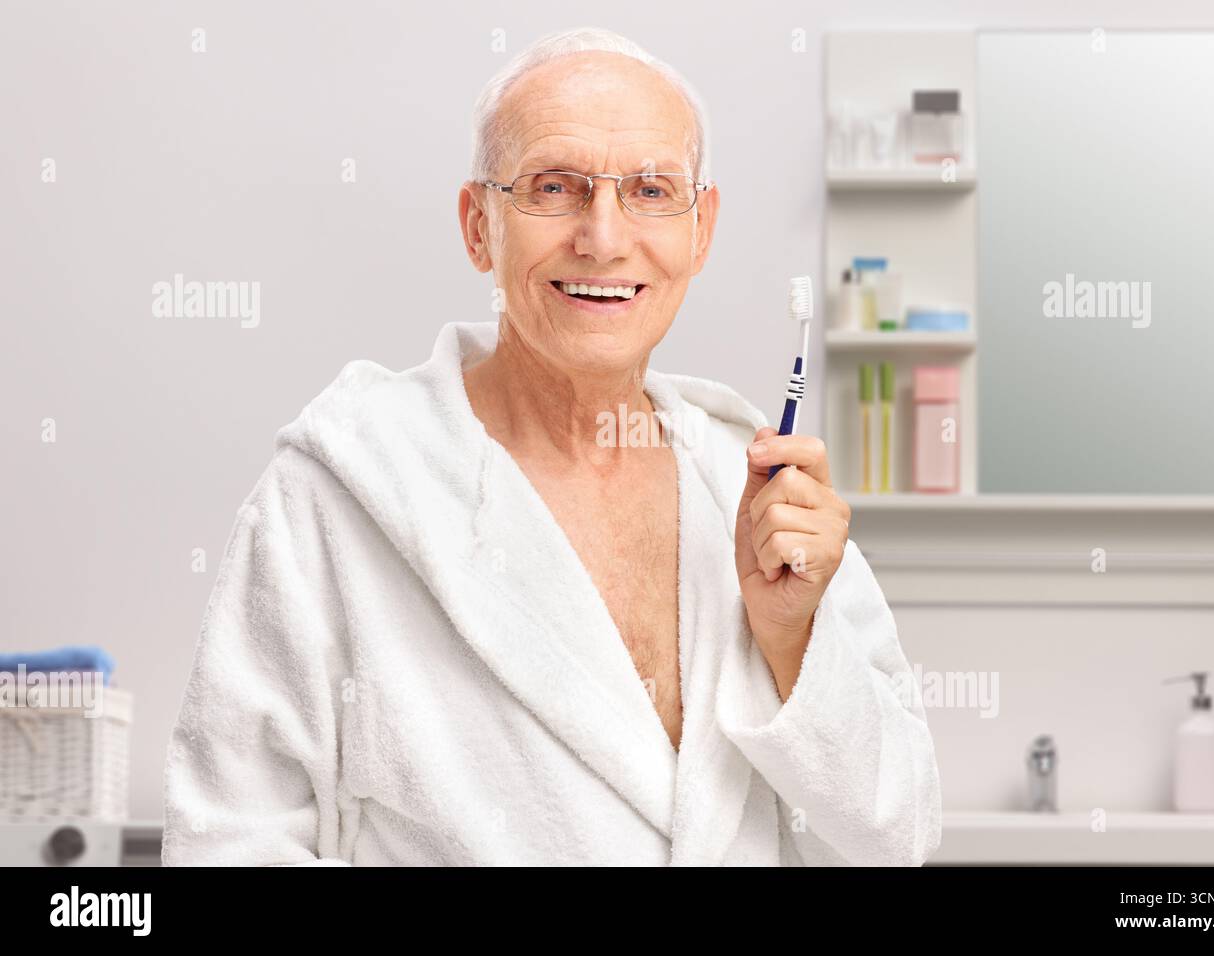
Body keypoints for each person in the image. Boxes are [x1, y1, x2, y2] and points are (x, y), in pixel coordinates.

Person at [162, 26, 942, 866]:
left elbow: (894, 837)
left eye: (650, 190)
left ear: (701, 230)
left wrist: (793, 642)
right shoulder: (337, 496)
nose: (603, 238)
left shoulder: (758, 494)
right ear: (478, 225)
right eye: (555, 187)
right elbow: (229, 841)